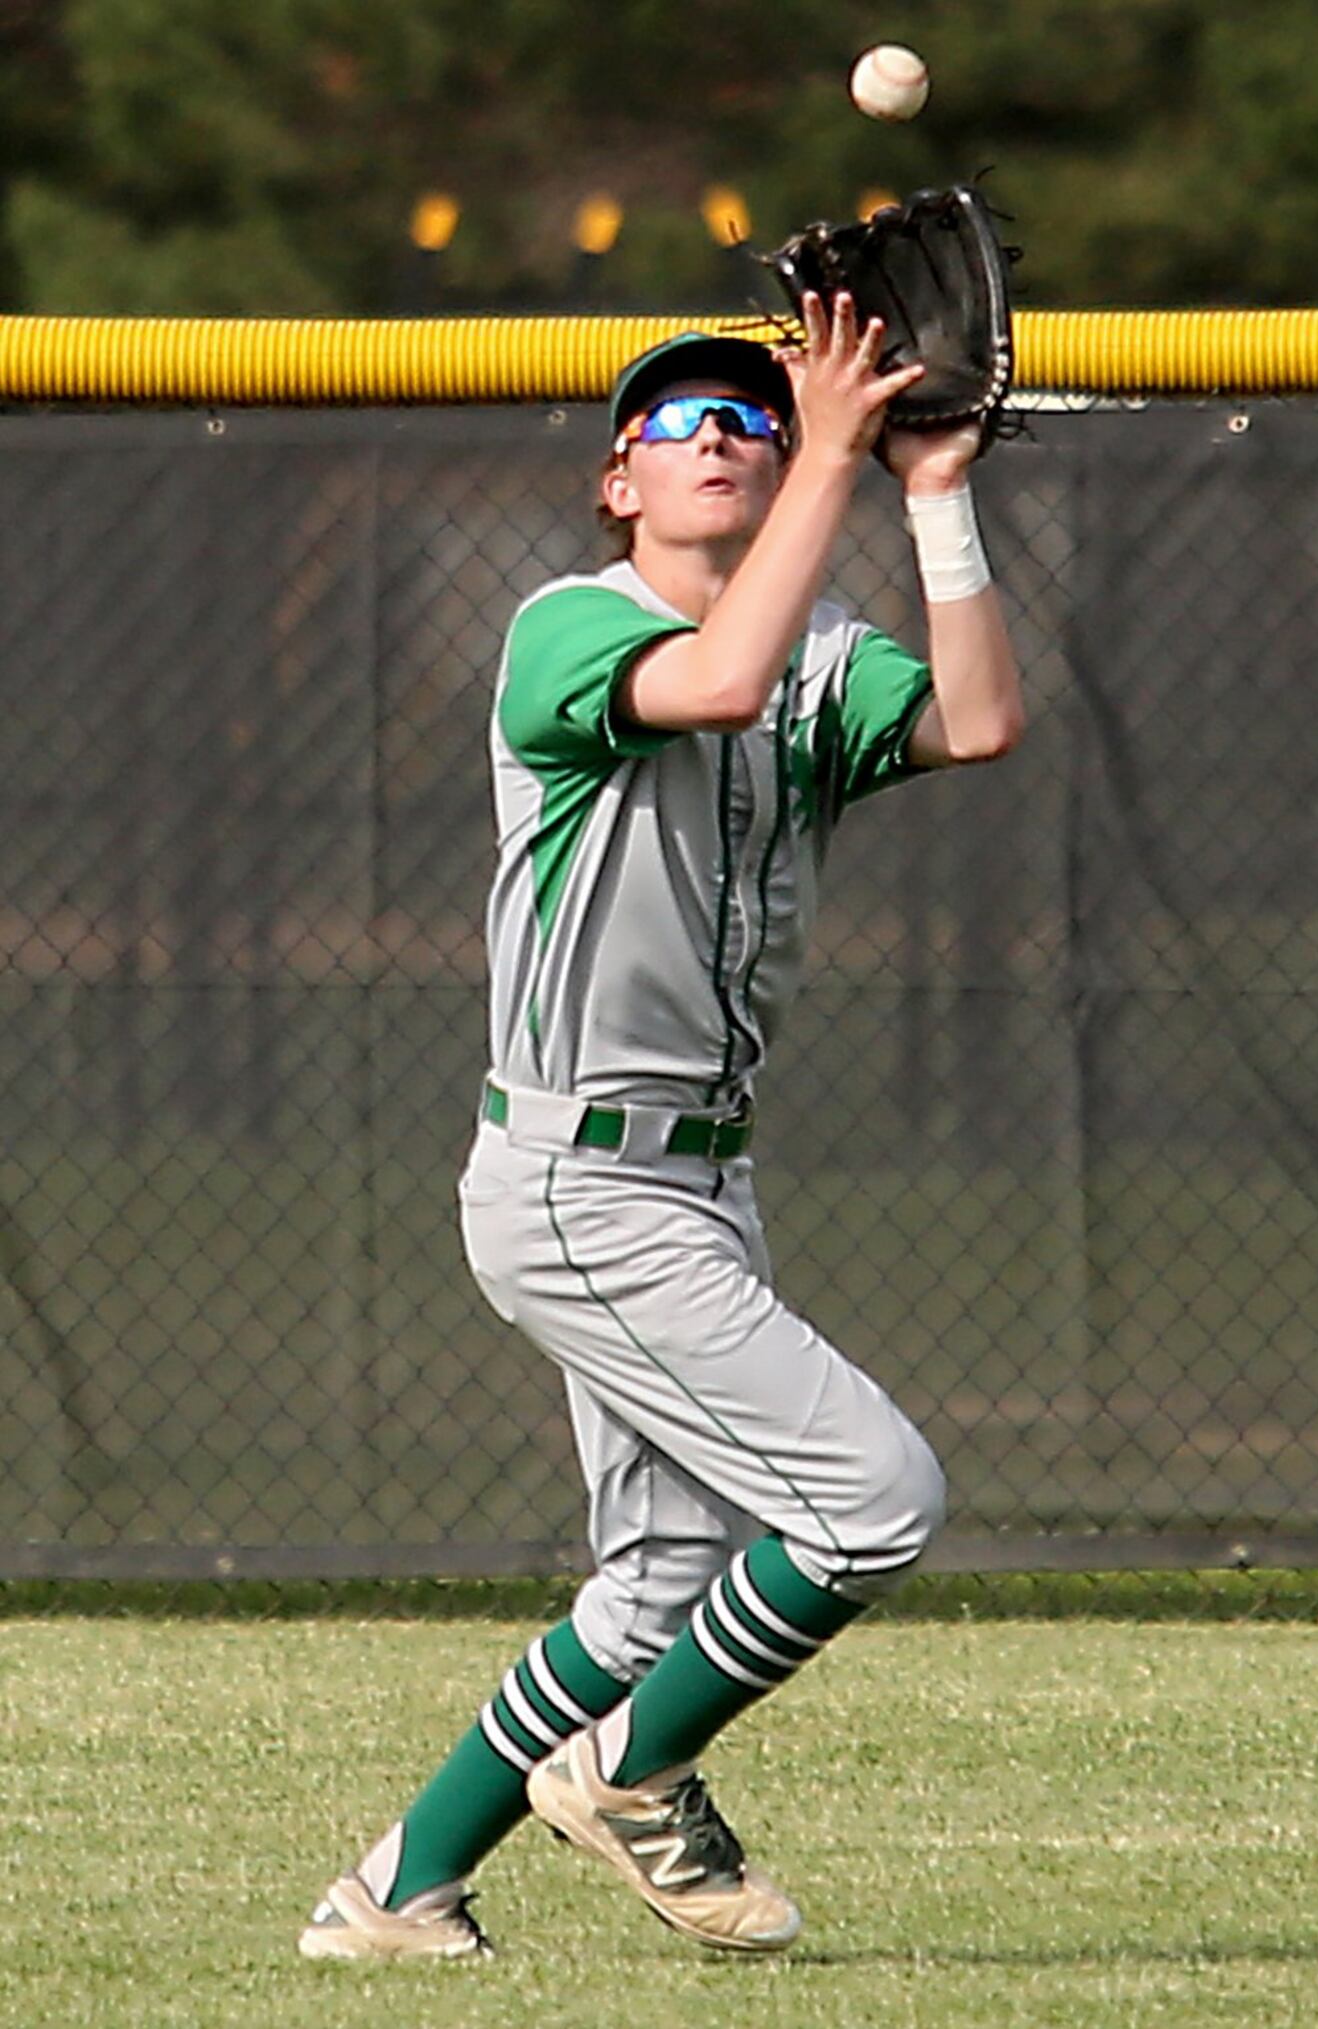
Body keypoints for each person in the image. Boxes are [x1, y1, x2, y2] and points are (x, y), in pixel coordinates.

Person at [299, 290, 1024, 1961]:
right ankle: (630, 1771)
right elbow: (715, 675)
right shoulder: (565, 623)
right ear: (618, 481)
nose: (724, 437)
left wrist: (930, 490)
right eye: (682, 424)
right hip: (573, 1177)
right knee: (874, 1500)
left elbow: (978, 719)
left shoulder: (821, 663)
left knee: (654, 1579)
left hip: (702, 1184)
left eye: (751, 422)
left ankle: (396, 1892)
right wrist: (833, 444)